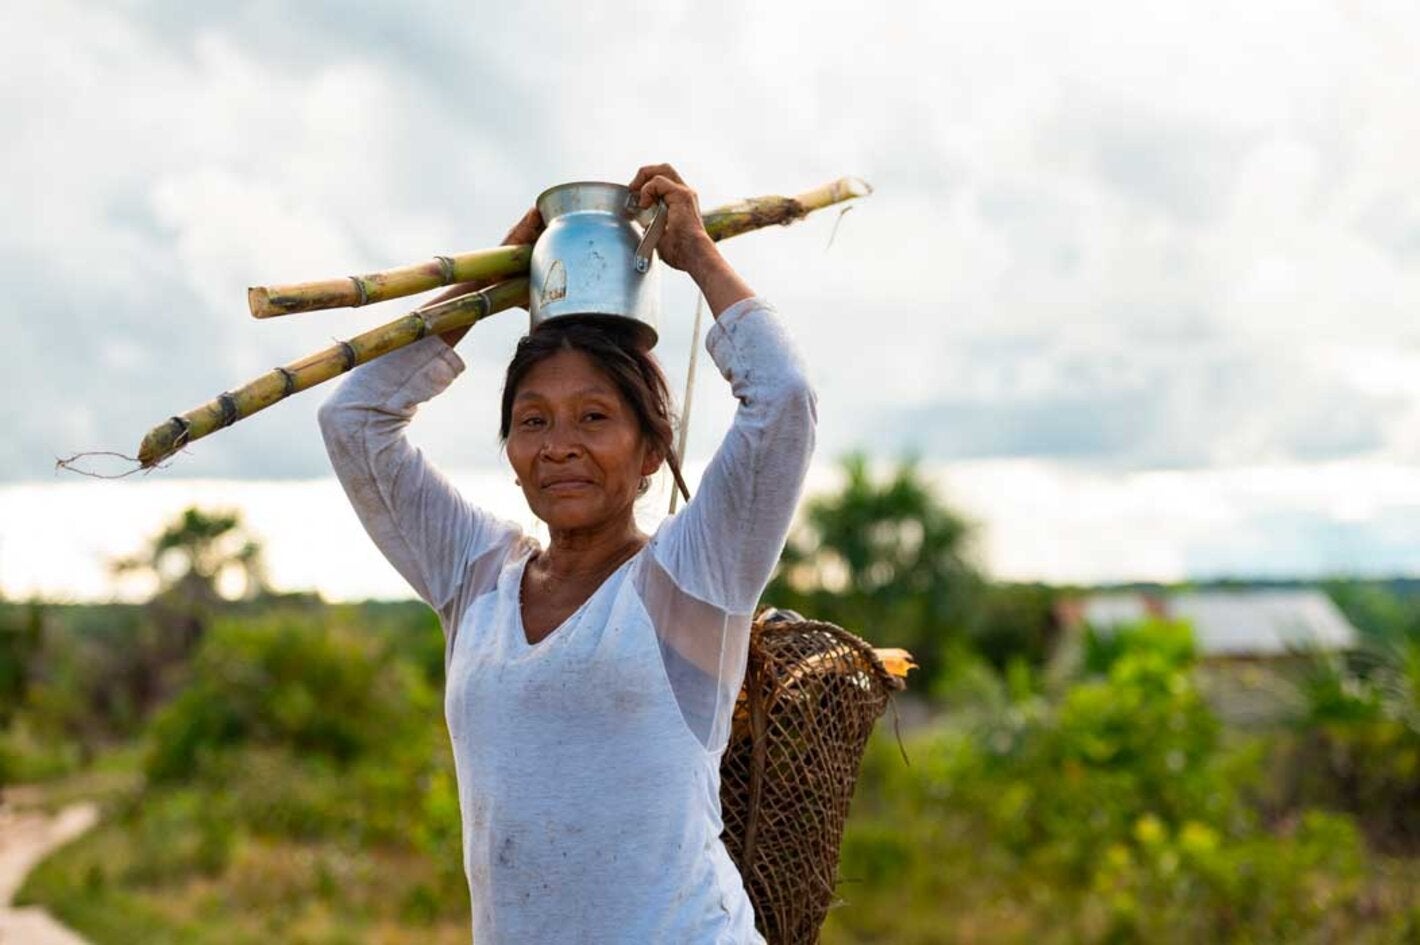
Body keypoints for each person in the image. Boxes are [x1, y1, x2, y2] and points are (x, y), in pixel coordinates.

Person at [318, 163, 817, 944]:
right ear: (511, 449)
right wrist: (484, 287)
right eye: (533, 420)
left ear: (651, 449)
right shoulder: (476, 578)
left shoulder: (691, 574)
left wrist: (697, 253)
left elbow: (784, 396)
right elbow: (353, 418)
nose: (559, 447)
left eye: (593, 417)